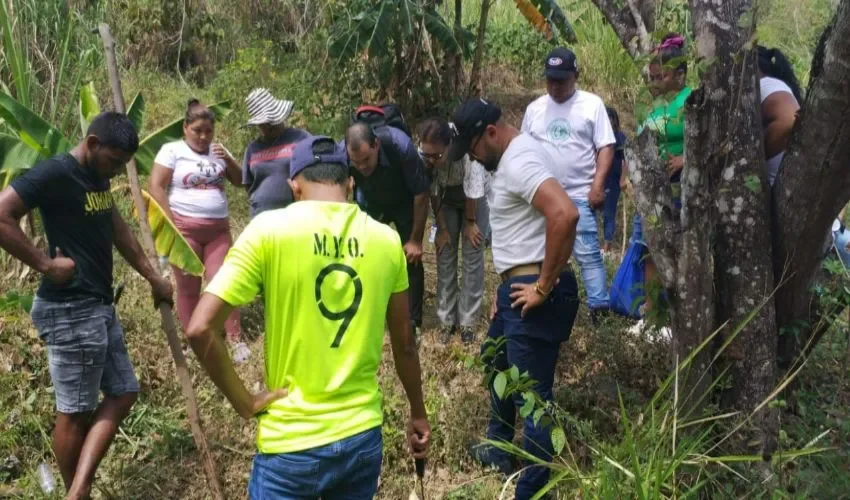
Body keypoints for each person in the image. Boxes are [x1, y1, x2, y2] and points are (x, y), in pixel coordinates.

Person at [185, 136, 430, 498]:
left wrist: (247, 403)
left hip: (290, 444)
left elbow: (199, 328)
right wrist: (418, 412)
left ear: (294, 186)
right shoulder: (386, 240)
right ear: (350, 183)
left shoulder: (268, 232)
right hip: (360, 436)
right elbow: (405, 344)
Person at [0, 112, 173, 499]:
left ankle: (78, 487)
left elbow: (117, 228)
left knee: (124, 391)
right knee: (75, 412)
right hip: (69, 309)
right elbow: (2, 213)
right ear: (92, 144)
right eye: (113, 162)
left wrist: (153, 277)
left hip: (98, 307)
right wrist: (44, 264)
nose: (114, 173)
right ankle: (76, 491)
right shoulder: (57, 173)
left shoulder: (97, 176)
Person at [448, 97, 580, 500]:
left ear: (489, 133)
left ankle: (535, 489)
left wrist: (541, 286)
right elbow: (522, 229)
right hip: (515, 291)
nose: (471, 158)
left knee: (532, 398)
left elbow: (565, 214)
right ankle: (498, 447)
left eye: (472, 149)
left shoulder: (520, 160)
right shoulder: (509, 160)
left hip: (535, 295)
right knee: (495, 360)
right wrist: (503, 290)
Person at [149, 99, 250, 363]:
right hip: (185, 232)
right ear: (185, 128)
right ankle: (194, 340)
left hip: (218, 231)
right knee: (188, 288)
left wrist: (227, 158)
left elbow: (240, 181)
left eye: (208, 131)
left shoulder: (217, 151)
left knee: (224, 284)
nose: (204, 137)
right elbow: (156, 187)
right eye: (197, 130)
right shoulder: (172, 151)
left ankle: (235, 339)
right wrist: (172, 228)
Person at [521, 47, 615, 323]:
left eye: (561, 80)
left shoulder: (592, 105)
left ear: (576, 75)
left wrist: (597, 185)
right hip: (543, 195)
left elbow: (606, 147)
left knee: (587, 252)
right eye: (550, 79)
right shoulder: (535, 109)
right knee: (541, 250)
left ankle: (599, 310)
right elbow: (524, 150)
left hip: (579, 194)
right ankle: (546, 298)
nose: (555, 86)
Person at [624, 33, 691, 339]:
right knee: (648, 249)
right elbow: (638, 141)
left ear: (680, 74)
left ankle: (678, 316)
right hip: (650, 190)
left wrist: (684, 159)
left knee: (677, 251)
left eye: (660, 77)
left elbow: (712, 140)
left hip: (679, 192)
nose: (654, 83)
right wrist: (628, 175)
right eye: (651, 78)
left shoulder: (690, 100)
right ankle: (650, 315)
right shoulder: (653, 106)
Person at [345, 120, 430, 339]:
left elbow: (421, 193)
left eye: (366, 159)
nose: (362, 166)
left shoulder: (400, 147)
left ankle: (413, 321)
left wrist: (415, 240)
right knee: (367, 255)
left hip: (403, 199)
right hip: (371, 201)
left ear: (376, 145)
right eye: (357, 162)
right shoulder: (342, 155)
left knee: (411, 259)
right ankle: (371, 311)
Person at [418, 117, 491, 345]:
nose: (431, 160)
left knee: (472, 255)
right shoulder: (423, 154)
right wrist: (440, 228)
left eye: (437, 156)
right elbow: (432, 192)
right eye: (427, 155)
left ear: (449, 146)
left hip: (475, 200)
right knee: (445, 253)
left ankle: (468, 321)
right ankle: (446, 320)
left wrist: (470, 222)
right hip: (446, 200)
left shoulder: (467, 149)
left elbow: (473, 187)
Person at [241, 87, 311, 218]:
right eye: (264, 123)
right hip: (260, 217)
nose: (269, 126)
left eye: (272, 121)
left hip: (294, 216)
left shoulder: (300, 138)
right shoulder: (253, 148)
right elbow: (249, 185)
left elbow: (314, 173)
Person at [757, 46, 802, 186]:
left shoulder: (761, 84)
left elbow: (788, 120)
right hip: (792, 145)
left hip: (783, 134)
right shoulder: (780, 85)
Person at [602, 106, 627, 255]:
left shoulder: (619, 137)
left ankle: (607, 248)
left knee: (608, 212)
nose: (609, 121)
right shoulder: (600, 136)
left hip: (613, 179)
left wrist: (623, 179)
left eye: (611, 118)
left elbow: (626, 160)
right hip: (600, 179)